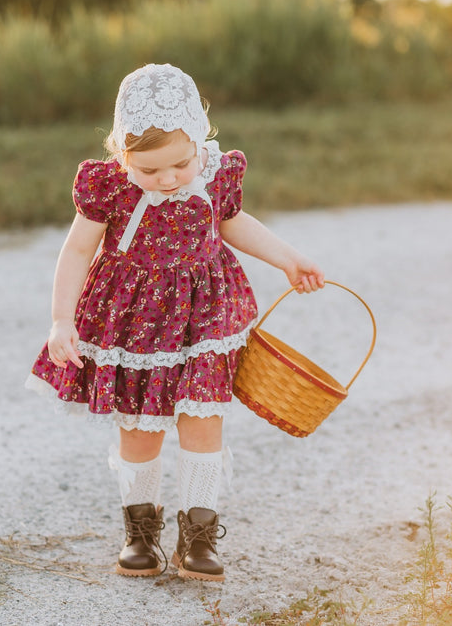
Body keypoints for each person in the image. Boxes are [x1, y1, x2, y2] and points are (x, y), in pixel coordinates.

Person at [26, 63, 324, 582]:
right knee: (140, 433)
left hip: (204, 318)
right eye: (149, 170)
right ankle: (140, 533)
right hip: (135, 327)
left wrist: (288, 258)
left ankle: (199, 536)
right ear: (122, 154)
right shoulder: (111, 187)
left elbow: (233, 223)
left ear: (199, 138)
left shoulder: (211, 173)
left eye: (180, 165)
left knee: (203, 423)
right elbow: (76, 250)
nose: (166, 179)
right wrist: (60, 320)